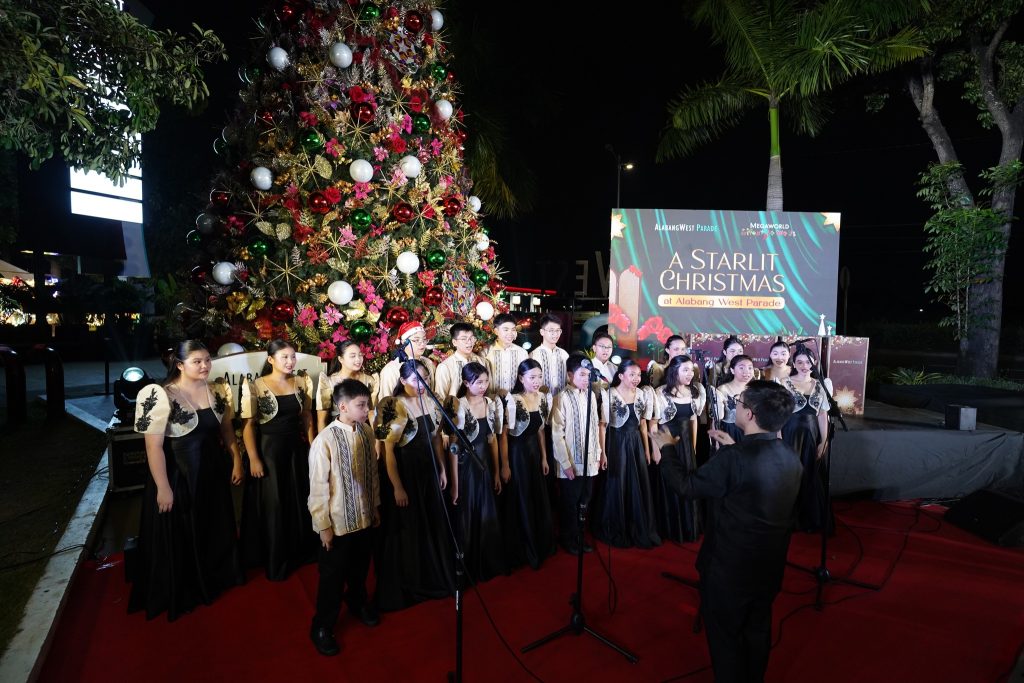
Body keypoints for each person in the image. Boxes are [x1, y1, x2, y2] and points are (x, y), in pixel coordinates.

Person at [658, 380, 801, 683]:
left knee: (725, 637)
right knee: (758, 628)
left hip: (730, 566)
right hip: (770, 564)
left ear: (750, 414)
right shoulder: (791, 457)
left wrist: (667, 449)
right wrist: (734, 448)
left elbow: (687, 487)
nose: (736, 405)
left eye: (739, 402)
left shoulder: (733, 459)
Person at [131, 340, 243, 620]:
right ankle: (189, 585)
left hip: (212, 472)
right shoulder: (158, 395)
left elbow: (227, 430)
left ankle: (216, 575)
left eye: (207, 360)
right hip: (180, 476)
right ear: (179, 365)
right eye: (197, 361)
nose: (204, 365)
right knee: (184, 530)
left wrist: (237, 460)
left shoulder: (217, 389)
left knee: (213, 524)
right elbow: (153, 447)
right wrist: (163, 488)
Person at [308, 379, 381, 657]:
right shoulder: (325, 440)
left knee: (360, 567)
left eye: (366, 404)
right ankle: (322, 626)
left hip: (362, 517)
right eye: (361, 405)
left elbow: (372, 472)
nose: (366, 410)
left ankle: (357, 600)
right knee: (332, 578)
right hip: (337, 523)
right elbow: (318, 486)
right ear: (342, 406)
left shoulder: (365, 432)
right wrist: (323, 525)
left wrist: (374, 506)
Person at [373, 359, 454, 610]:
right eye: (416, 379)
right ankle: (411, 579)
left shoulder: (430, 401)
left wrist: (441, 468)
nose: (422, 384)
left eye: (425, 378)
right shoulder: (393, 405)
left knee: (431, 521)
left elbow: (436, 439)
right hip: (405, 471)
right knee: (408, 526)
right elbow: (388, 452)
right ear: (403, 381)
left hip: (427, 469)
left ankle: (433, 573)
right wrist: (397, 486)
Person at [239, 339, 317, 581]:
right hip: (269, 451)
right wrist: (253, 459)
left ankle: (300, 552)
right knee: (275, 504)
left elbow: (306, 417)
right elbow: (248, 426)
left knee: (298, 499)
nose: (290, 361)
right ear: (270, 359)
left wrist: (313, 446)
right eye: (284, 357)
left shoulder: (301, 382)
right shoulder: (256, 385)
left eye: (293, 357)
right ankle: (276, 557)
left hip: (296, 450)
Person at [443, 362, 506, 581]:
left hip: (485, 465)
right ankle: (467, 568)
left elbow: (492, 439)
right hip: (465, 466)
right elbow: (452, 446)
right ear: (466, 383)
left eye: (486, 381)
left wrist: (496, 471)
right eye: (478, 382)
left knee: (486, 512)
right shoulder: (457, 405)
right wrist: (455, 484)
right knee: (467, 515)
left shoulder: (490, 402)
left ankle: (487, 563)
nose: (483, 386)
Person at [592, 359, 661, 548]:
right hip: (616, 443)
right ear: (621, 376)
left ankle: (636, 526)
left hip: (636, 443)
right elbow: (602, 426)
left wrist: (647, 449)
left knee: (637, 484)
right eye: (632, 375)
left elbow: (643, 424)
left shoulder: (642, 394)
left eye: (638, 375)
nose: (636, 378)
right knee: (617, 484)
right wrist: (603, 452)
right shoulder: (609, 394)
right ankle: (616, 527)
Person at [500, 358, 557, 569]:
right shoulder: (512, 400)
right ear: (521, 378)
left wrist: (544, 457)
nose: (536, 381)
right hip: (517, 454)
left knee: (537, 497)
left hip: (535, 454)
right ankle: (525, 548)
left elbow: (541, 430)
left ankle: (541, 543)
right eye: (532, 377)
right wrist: (505, 465)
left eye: (539, 377)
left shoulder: (543, 397)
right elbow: (504, 436)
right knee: (521, 498)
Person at [549, 354, 604, 554]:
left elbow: (595, 427)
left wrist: (598, 454)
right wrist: (565, 462)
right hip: (570, 463)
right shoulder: (561, 398)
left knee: (584, 500)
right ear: (570, 375)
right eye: (581, 375)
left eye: (589, 375)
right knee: (569, 502)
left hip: (589, 460)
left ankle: (580, 536)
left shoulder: (590, 396)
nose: (586, 379)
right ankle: (568, 538)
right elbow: (557, 434)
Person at [650, 354, 706, 543]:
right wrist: (656, 449)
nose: (690, 374)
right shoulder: (660, 393)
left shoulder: (695, 392)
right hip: (668, 444)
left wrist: (694, 447)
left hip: (687, 446)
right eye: (685, 370)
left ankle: (689, 526)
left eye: (692, 370)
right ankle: (670, 528)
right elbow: (653, 424)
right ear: (674, 371)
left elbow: (694, 421)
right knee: (671, 484)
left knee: (689, 484)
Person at [779, 345, 834, 534]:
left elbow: (822, 415)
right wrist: (778, 438)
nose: (804, 365)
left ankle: (811, 518)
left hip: (812, 436)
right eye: (800, 362)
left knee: (812, 475)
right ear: (793, 363)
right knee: (790, 476)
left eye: (808, 362)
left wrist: (824, 439)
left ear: (815, 363)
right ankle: (789, 520)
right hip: (789, 433)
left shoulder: (821, 385)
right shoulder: (783, 383)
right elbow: (778, 415)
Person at [316, 340, 378, 433]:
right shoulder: (329, 382)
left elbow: (372, 412)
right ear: (341, 359)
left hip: (362, 431)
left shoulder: (369, 380)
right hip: (338, 432)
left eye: (360, 355)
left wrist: (376, 440)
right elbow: (321, 420)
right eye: (353, 356)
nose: (358, 359)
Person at [375, 321, 435, 406]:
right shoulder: (391, 370)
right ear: (404, 342)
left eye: (424, 339)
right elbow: (386, 402)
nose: (422, 344)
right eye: (416, 340)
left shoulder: (428, 363)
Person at [710, 354, 756, 445]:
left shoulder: (755, 390)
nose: (746, 372)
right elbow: (716, 420)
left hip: (751, 434)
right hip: (730, 433)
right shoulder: (722, 390)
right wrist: (716, 442)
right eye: (741, 368)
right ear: (732, 370)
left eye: (750, 368)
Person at [434, 322, 487, 398]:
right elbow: (440, 398)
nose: (469, 342)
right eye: (464, 339)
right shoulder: (445, 367)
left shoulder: (481, 362)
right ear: (454, 342)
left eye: (471, 338)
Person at [484, 313, 528, 396]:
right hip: (492, 401)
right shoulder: (486, 352)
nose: (510, 333)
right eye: (506, 329)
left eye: (513, 329)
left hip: (516, 400)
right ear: (496, 331)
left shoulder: (522, 353)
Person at [529, 314, 569, 395]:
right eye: (551, 330)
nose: (556, 334)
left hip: (561, 402)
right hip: (541, 401)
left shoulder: (564, 354)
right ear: (542, 332)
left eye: (558, 330)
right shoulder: (534, 355)